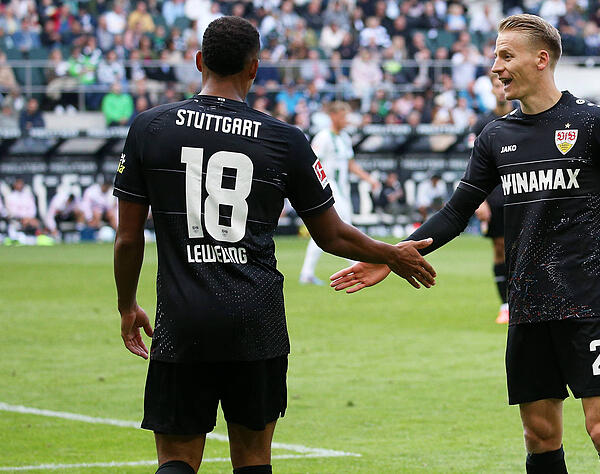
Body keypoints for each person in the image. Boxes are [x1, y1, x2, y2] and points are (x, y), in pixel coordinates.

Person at [331, 14, 600, 473]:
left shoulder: (593, 122)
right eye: (495, 56)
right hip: (527, 304)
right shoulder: (496, 136)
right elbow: (455, 212)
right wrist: (391, 256)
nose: (495, 66)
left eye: (506, 55)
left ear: (541, 59)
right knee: (540, 435)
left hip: (589, 303)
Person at [112, 17, 435, 474]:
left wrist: (127, 305)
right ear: (255, 69)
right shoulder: (285, 140)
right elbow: (332, 235)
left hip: (183, 319)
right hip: (256, 320)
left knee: (177, 459)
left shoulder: (150, 128)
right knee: (252, 459)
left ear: (199, 61)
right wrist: (391, 254)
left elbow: (128, 239)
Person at [298, 101, 381, 285]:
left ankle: (306, 274)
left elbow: (351, 165)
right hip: (329, 187)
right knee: (346, 225)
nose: (346, 121)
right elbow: (312, 162)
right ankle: (359, 265)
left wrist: (369, 179)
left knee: (323, 233)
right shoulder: (323, 137)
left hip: (343, 189)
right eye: (343, 116)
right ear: (333, 116)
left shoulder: (344, 137)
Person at [472, 73, 514, 324]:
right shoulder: (483, 124)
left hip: (520, 191)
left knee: (523, 249)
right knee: (500, 248)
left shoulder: (523, 116)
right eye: (497, 85)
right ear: (491, 89)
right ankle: (505, 304)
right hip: (495, 197)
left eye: (504, 84)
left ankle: (524, 301)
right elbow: (475, 166)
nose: (501, 90)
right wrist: (480, 200)